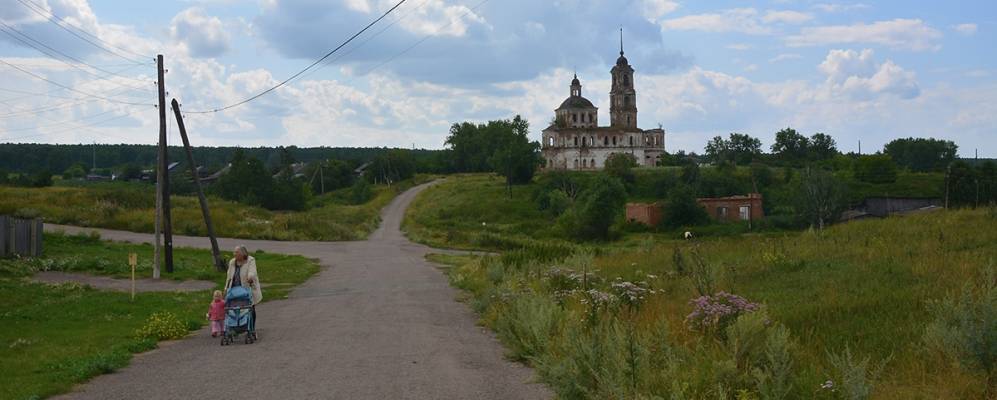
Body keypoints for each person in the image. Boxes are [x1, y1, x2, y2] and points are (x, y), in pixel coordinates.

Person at [224, 245, 262, 335]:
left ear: (242, 254)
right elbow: (229, 276)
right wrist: (226, 288)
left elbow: (252, 271)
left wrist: (250, 277)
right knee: (233, 308)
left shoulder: (250, 260)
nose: (234, 254)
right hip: (234, 289)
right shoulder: (232, 262)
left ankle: (251, 328)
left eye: (236, 252)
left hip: (246, 288)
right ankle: (235, 328)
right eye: (234, 252)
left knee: (250, 308)